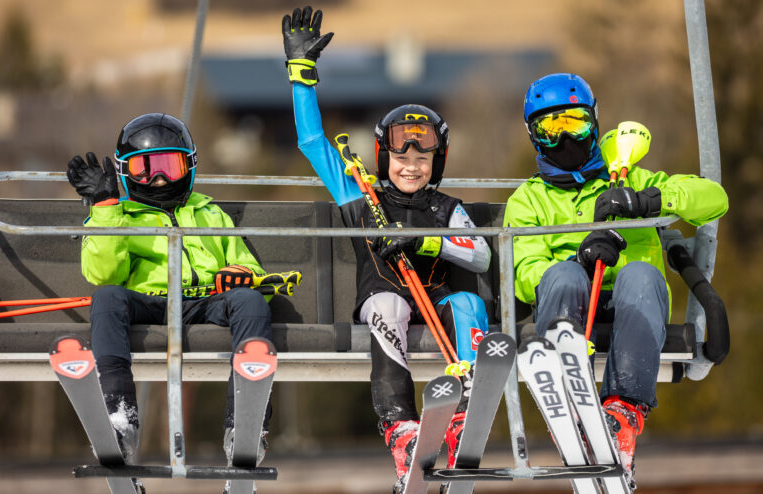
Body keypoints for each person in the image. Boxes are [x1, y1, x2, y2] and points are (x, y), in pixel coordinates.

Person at [282, 6, 492, 487]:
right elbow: (312, 141)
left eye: (423, 158)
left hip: (435, 304)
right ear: (384, 157)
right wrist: (302, 76)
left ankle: (465, 408)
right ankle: (401, 427)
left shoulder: (446, 208)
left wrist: (426, 242)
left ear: (436, 164)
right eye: (401, 157)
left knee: (466, 300)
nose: (412, 166)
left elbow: (479, 254)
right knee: (384, 303)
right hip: (387, 303)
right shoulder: (362, 197)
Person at [505, 73, 729, 487]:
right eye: (550, 129)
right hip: (571, 304)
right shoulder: (528, 200)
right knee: (564, 275)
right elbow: (523, 275)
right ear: (533, 136)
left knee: (641, 274)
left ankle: (621, 414)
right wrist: (581, 259)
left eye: (574, 122)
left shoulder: (628, 178)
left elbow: (715, 200)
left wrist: (650, 202)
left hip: (634, 305)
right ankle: (571, 402)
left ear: (595, 120)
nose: (564, 138)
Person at [66, 113, 274, 471]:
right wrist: (103, 210)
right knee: (107, 298)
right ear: (125, 172)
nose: (158, 178)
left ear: (189, 166)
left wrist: (243, 276)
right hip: (148, 301)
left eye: (170, 166)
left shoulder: (209, 214)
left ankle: (244, 422)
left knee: (251, 300)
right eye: (144, 168)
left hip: (206, 300)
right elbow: (103, 274)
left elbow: (251, 271)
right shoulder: (120, 216)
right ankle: (120, 418)